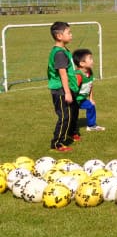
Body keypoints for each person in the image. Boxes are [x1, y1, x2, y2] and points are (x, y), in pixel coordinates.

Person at [47, 21, 80, 152]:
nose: (71, 35)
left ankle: (70, 133)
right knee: (64, 116)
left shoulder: (64, 50)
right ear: (59, 36)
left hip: (67, 88)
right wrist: (67, 92)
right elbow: (63, 74)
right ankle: (57, 143)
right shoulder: (59, 53)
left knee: (72, 112)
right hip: (60, 90)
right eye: (68, 33)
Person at [72, 48, 106, 132]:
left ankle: (91, 126)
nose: (92, 61)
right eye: (90, 59)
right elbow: (71, 89)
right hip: (73, 101)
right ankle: (70, 129)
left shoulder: (90, 72)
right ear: (82, 63)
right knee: (72, 116)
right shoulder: (78, 76)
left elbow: (90, 86)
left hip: (81, 100)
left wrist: (91, 99)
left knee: (91, 105)